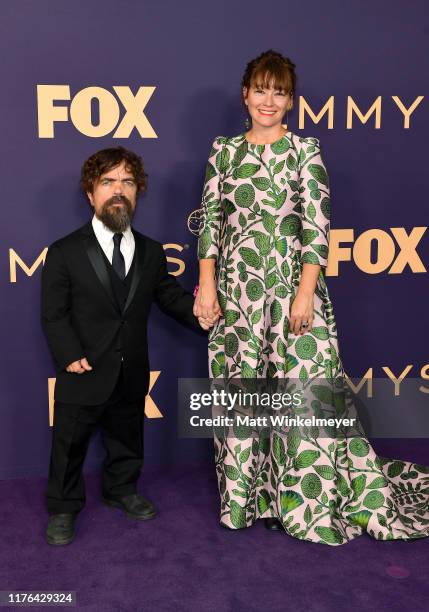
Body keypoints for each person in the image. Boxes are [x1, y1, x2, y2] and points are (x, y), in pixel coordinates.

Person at [194, 50, 429, 544]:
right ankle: (248, 501)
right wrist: (208, 285)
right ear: (245, 93)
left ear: (291, 100)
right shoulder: (224, 151)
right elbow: (211, 224)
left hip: (294, 293)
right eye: (261, 89)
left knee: (306, 399)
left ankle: (306, 503)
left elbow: (316, 229)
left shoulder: (305, 151)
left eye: (279, 92)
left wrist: (305, 294)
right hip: (237, 296)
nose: (269, 100)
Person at [42, 146, 214, 546]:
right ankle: (64, 507)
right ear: (91, 194)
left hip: (132, 367)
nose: (118, 190)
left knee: (128, 434)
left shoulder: (152, 251)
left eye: (127, 182)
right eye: (108, 182)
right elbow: (54, 313)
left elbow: (169, 297)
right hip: (82, 367)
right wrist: (68, 355)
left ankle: (122, 488)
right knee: (69, 444)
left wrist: (203, 314)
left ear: (137, 192)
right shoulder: (65, 250)